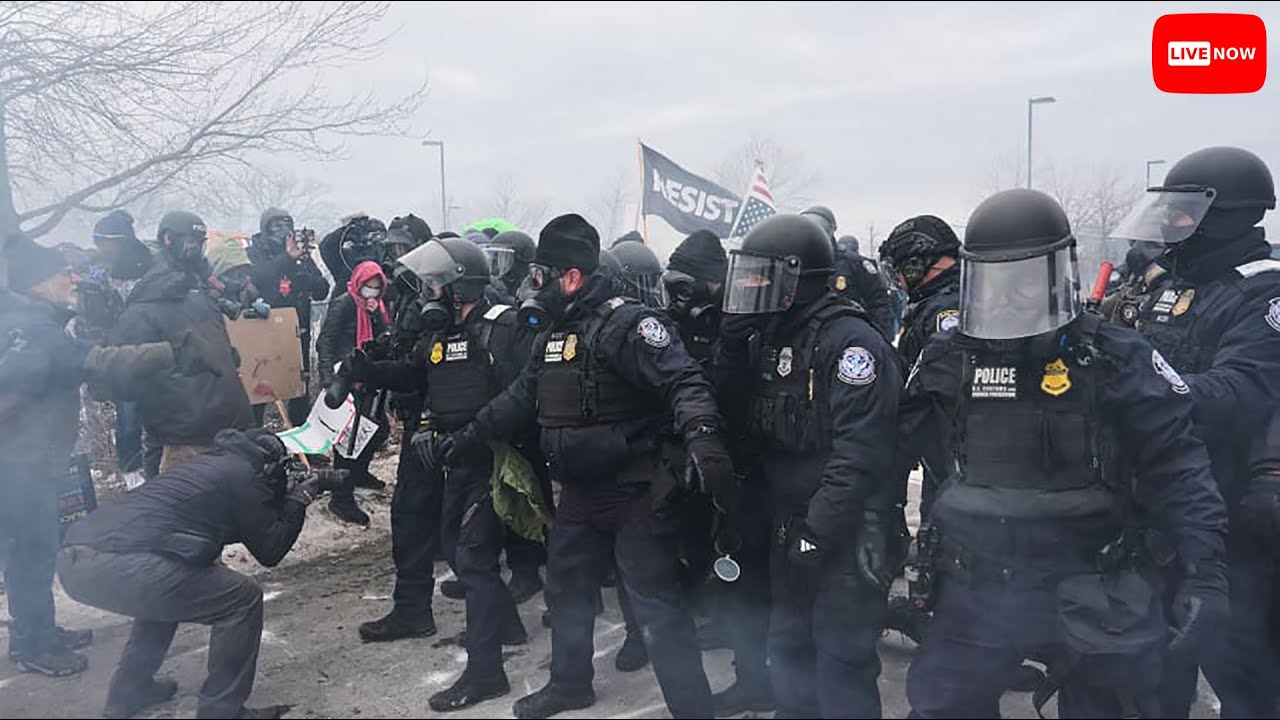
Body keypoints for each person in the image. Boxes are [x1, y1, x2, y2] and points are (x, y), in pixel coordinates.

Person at [901, 189, 1229, 718]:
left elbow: (1178, 468)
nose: (1009, 296)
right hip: (978, 582)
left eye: (1025, 280)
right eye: (994, 281)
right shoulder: (947, 358)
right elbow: (887, 450)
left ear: (1058, 275)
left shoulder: (1115, 358)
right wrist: (870, 532)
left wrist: (1204, 570)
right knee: (942, 706)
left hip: (1095, 578)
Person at [435, 214, 733, 719]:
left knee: (656, 606)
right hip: (579, 492)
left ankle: (693, 709)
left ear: (572, 277)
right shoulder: (555, 330)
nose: (534, 285)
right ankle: (569, 685)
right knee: (566, 591)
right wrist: (468, 437)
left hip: (636, 491)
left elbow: (685, 382)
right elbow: (521, 395)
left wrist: (703, 437)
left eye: (542, 275)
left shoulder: (629, 325)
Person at [1108, 146, 1280, 719]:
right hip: (1164, 507)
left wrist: (1137, 389)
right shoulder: (1176, 284)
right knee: (1156, 670)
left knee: (1243, 669)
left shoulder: (1264, 293)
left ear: (1224, 217)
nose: (1171, 226)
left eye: (1183, 215)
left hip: (1235, 514)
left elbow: (1238, 393)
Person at [713, 214, 901, 718]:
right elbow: (734, 414)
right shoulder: (771, 336)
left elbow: (859, 455)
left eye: (761, 276)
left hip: (843, 529)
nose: (751, 287)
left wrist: (817, 533)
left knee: (841, 659)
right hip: (790, 522)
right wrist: (730, 347)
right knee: (789, 647)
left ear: (795, 279)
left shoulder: (851, 345)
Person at [352, 237, 540, 710]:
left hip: (494, 460)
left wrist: (477, 432)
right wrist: (368, 370)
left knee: (473, 559)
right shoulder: (442, 334)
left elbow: (526, 391)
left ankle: (486, 673)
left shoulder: (504, 329)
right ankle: (507, 626)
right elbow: (415, 373)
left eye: (434, 285)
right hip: (456, 459)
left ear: (460, 287)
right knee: (457, 548)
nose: (426, 295)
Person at [57, 429, 330, 719]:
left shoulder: (210, 466)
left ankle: (130, 690)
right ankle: (222, 711)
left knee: (170, 589)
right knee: (242, 598)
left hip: (77, 560)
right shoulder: (244, 475)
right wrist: (299, 499)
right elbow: (270, 550)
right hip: (115, 561)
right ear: (268, 464)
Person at [0, 235, 178, 678]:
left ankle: (36, 630)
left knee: (33, 550)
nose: (73, 278)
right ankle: (34, 643)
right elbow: (98, 361)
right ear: (40, 281)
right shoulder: (34, 332)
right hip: (19, 463)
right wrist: (170, 352)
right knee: (31, 551)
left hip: (27, 458)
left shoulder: (24, 322)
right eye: (63, 272)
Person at [108, 211, 253, 473]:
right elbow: (123, 371)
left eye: (201, 243)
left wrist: (222, 356)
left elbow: (203, 337)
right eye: (191, 242)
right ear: (168, 239)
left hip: (222, 420)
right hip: (183, 432)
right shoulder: (150, 293)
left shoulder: (197, 287)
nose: (197, 250)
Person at [316, 260, 392, 524]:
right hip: (345, 377)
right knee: (347, 441)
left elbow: (384, 336)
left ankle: (358, 473)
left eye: (377, 287)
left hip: (367, 375)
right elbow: (326, 340)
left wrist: (377, 316)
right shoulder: (344, 304)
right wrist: (328, 378)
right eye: (368, 286)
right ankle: (341, 496)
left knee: (376, 429)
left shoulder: (376, 307)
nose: (372, 291)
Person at [91, 209, 163, 480]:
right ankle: (132, 472)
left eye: (104, 241)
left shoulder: (151, 264)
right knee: (128, 417)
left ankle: (160, 467)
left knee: (160, 414)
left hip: (153, 346)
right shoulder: (100, 271)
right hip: (120, 352)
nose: (100, 248)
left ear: (119, 240)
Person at [246, 207, 330, 426]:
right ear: (265, 229)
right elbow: (257, 278)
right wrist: (286, 258)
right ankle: (254, 435)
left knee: (299, 386)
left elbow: (322, 290)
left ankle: (299, 434)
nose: (283, 230)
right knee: (259, 386)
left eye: (287, 225)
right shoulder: (255, 252)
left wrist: (304, 277)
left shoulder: (300, 255)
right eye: (277, 225)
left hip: (297, 329)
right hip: (264, 329)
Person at [799, 205, 894, 336]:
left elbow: (878, 301)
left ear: (831, 231)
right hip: (808, 335)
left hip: (849, 333)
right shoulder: (797, 263)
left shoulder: (855, 264)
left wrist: (877, 335)